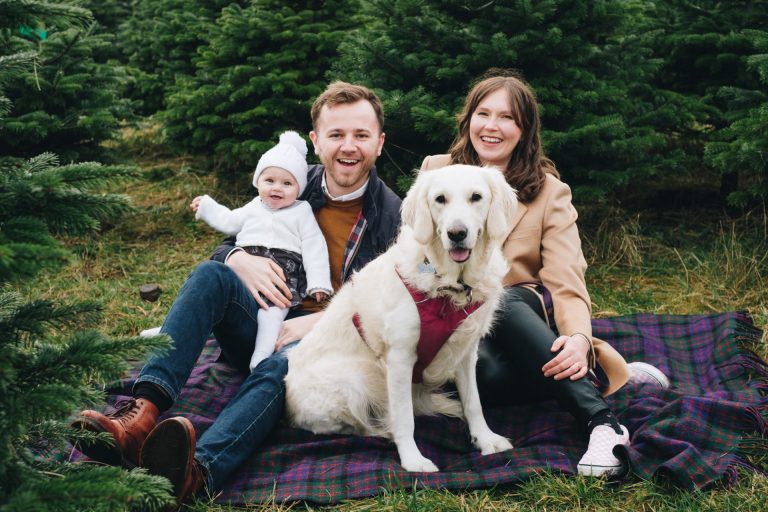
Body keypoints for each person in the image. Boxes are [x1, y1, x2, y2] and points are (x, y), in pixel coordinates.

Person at [71, 81, 402, 502]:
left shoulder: (393, 215)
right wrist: (236, 258)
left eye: (361, 135)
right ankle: (140, 417)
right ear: (316, 141)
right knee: (211, 274)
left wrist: (323, 320)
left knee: (280, 366)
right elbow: (237, 232)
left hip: (328, 346)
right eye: (336, 134)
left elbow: (395, 304)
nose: (348, 146)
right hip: (261, 316)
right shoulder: (290, 180)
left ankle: (197, 472)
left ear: (379, 142)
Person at [420, 70, 670, 477]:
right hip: (452, 315)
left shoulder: (549, 191)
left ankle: (602, 423)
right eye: (484, 114)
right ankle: (601, 374)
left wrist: (577, 337)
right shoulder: (436, 171)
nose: (492, 126)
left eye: (507, 117)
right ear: (468, 120)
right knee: (486, 375)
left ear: (524, 130)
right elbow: (414, 248)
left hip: (517, 306)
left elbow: (566, 278)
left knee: (500, 297)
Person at [192, 130, 332, 371]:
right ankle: (176, 331)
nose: (277, 188)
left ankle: (261, 357)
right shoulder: (254, 206)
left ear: (298, 188)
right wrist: (207, 207)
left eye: (287, 183)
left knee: (271, 314)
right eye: (270, 181)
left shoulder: (302, 211)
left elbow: (314, 245)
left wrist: (318, 283)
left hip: (282, 272)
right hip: (246, 265)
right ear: (258, 182)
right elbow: (229, 220)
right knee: (212, 293)